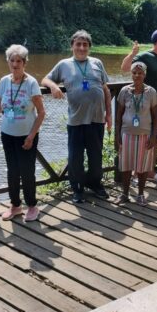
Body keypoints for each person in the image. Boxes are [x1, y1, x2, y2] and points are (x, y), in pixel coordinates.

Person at [42, 30, 111, 204]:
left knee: (96, 156)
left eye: (85, 44)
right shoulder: (64, 64)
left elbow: (106, 89)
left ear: (89, 47)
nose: (81, 47)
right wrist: (53, 87)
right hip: (76, 120)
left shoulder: (97, 63)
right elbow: (45, 79)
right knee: (75, 158)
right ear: (72, 45)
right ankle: (78, 188)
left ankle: (95, 184)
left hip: (97, 119)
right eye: (78, 44)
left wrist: (109, 114)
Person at [0, 45, 45, 222]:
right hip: (7, 134)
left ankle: (32, 205)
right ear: (8, 62)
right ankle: (16, 206)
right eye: (12, 60)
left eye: (19, 61)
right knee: (12, 171)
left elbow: (41, 112)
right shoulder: (4, 81)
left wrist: (31, 136)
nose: (15, 64)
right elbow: (0, 107)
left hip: (27, 135)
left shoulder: (31, 83)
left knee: (27, 172)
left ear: (24, 63)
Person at [121, 29, 157, 183]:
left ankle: (149, 171)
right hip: (143, 108)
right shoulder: (145, 56)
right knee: (140, 138)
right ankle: (135, 173)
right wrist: (133, 54)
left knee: (156, 138)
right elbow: (125, 68)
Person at [115, 61, 157, 206]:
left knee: (143, 167)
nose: (137, 75)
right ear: (131, 74)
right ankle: (125, 194)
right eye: (134, 73)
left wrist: (154, 136)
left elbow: (155, 117)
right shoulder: (124, 91)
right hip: (126, 134)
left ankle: (140, 194)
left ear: (145, 74)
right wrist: (117, 136)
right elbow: (119, 115)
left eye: (140, 73)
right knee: (126, 166)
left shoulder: (151, 92)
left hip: (145, 134)